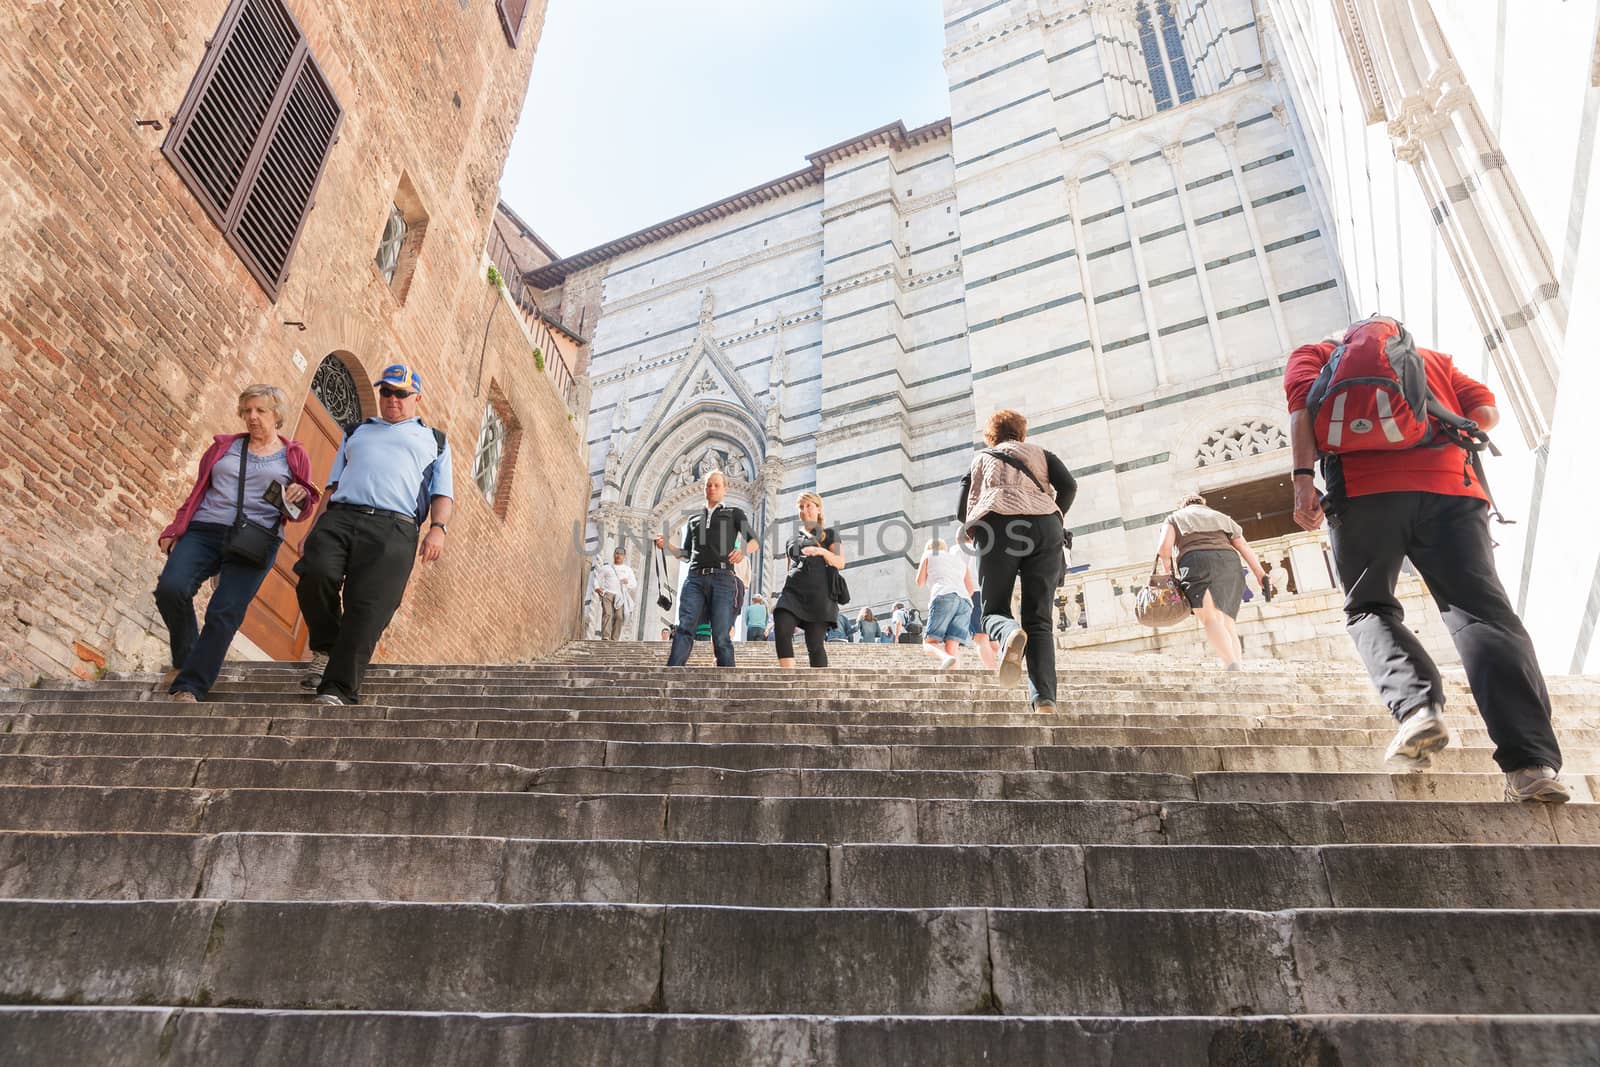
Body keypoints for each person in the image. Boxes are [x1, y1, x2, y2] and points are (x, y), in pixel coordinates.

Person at [1285, 317, 1569, 801]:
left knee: (1368, 607)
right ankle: (1531, 764)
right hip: (1452, 491)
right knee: (1482, 614)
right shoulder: (1432, 361)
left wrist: (1303, 481)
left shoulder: (1311, 354)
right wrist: (1432, 431)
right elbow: (1487, 412)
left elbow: (1303, 416)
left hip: (1365, 494)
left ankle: (1417, 708)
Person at [296, 364, 453, 706]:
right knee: (314, 573)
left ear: (417, 398)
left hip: (394, 528)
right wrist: (311, 529)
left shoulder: (435, 441)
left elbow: (442, 494)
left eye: (400, 393)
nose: (392, 399)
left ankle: (337, 688)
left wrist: (437, 530)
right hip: (341, 516)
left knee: (368, 609)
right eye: (386, 392)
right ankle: (326, 645)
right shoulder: (356, 432)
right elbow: (333, 484)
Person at [155, 385, 319, 701]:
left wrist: (300, 496)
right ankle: (186, 660)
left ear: (277, 415)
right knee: (171, 588)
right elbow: (198, 491)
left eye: (260, 410)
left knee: (224, 610)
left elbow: (300, 511)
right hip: (205, 529)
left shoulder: (293, 456)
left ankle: (191, 685)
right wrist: (176, 528)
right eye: (247, 411)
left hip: (256, 539)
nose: (252, 417)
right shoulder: (223, 447)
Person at [960, 408, 1077, 712]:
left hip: (999, 526)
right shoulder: (1041, 453)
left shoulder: (981, 460)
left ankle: (1008, 632)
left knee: (993, 610)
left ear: (991, 436)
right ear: (1021, 432)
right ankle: (1045, 699)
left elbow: (962, 510)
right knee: (1039, 619)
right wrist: (1054, 514)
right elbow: (1069, 485)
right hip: (1046, 527)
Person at [655, 470, 759, 667]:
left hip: (723, 578)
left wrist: (743, 551)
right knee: (685, 628)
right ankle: (670, 674)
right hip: (695, 578)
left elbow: (755, 542)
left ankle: (727, 683)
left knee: (721, 635)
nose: (711, 488)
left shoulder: (734, 514)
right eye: (708, 485)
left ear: (725, 489)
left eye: (716, 485)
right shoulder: (694, 519)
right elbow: (686, 554)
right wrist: (667, 545)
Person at [1156, 493, 1270, 671]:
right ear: (1203, 504)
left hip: (1196, 563)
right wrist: (1261, 574)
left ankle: (1231, 664)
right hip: (1229, 563)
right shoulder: (1222, 517)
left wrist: (1169, 573)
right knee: (1228, 622)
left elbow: (1164, 548)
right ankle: (1236, 665)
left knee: (1210, 618)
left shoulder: (1174, 518)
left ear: (1182, 506)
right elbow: (1243, 546)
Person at [772, 491, 846, 667]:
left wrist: (820, 551)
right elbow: (790, 567)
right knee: (781, 626)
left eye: (809, 506)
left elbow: (840, 562)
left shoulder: (829, 534)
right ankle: (788, 680)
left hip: (819, 595)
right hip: (792, 593)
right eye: (801, 507)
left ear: (818, 509)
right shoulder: (791, 539)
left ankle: (819, 690)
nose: (804, 510)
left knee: (815, 645)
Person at [916, 539, 976, 670]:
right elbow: (970, 589)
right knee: (952, 647)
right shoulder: (959, 561)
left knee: (929, 643)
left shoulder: (928, 554)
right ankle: (956, 678)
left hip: (943, 595)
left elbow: (919, 582)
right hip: (965, 602)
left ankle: (945, 658)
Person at [590, 546, 636, 641]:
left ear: (624, 557)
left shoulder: (627, 570)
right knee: (608, 614)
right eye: (617, 553)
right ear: (613, 555)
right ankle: (606, 637)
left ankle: (615, 639)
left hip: (620, 596)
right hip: (607, 594)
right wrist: (597, 588)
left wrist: (628, 582)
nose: (618, 556)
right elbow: (597, 579)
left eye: (621, 554)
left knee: (619, 617)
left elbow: (634, 584)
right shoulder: (606, 568)